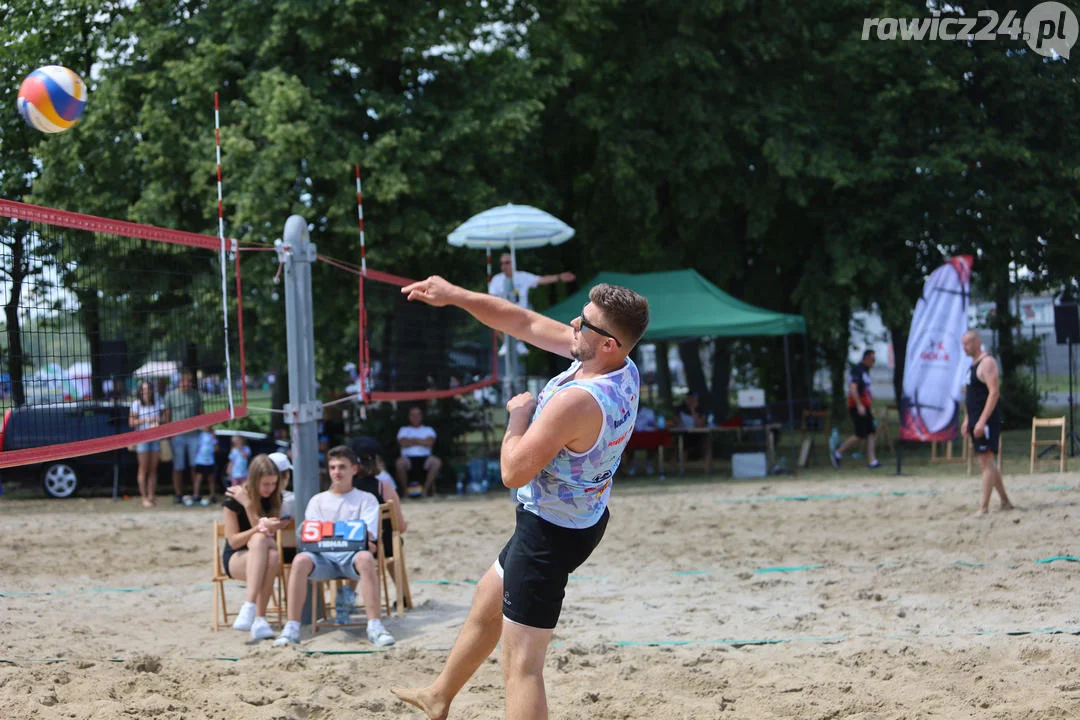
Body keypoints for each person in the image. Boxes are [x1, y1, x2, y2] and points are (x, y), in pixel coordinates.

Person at [391, 275, 649, 720]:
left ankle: (441, 696)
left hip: (549, 535)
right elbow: (525, 323)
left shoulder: (581, 401)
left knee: (522, 668)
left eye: (584, 323)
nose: (573, 324)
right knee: (485, 605)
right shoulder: (621, 365)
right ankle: (439, 696)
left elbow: (512, 472)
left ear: (609, 343)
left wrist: (517, 417)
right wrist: (456, 294)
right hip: (573, 519)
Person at [272, 445, 395, 648]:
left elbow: (368, 537)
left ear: (354, 470)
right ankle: (292, 628)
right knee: (300, 560)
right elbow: (313, 537)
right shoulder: (318, 501)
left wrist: (335, 534)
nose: (337, 472)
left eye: (342, 467)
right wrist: (344, 533)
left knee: (365, 558)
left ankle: (375, 626)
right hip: (324, 558)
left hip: (351, 558)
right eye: (332, 467)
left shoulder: (366, 499)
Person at [221, 454, 288, 642]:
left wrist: (251, 508)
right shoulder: (234, 498)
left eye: (274, 483)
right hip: (236, 557)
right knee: (261, 543)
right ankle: (256, 613)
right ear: (254, 480)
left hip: (264, 553)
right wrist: (251, 512)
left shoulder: (275, 498)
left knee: (268, 550)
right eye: (266, 484)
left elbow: (269, 537)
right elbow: (234, 541)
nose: (270, 488)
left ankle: (254, 613)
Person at [962, 330, 1013, 515]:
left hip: (987, 420)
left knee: (986, 462)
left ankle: (983, 507)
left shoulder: (987, 363)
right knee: (987, 463)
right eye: (963, 344)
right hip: (976, 419)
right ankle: (1005, 501)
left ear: (977, 342)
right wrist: (968, 419)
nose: (964, 348)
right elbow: (972, 396)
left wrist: (982, 421)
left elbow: (994, 393)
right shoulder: (972, 366)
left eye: (967, 344)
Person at [488, 252, 576, 356]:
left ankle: (519, 342)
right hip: (504, 311)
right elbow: (491, 298)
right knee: (490, 318)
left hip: (521, 312)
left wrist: (559, 277)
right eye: (502, 263)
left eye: (507, 262)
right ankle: (507, 343)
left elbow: (541, 280)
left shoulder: (522, 276)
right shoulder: (496, 280)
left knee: (532, 317)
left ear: (513, 263)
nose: (504, 266)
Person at [163, 368, 206, 505]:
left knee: (195, 466)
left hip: (194, 435)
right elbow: (167, 415)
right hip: (178, 436)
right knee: (178, 466)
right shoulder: (170, 396)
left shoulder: (196, 395)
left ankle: (196, 493)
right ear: (179, 381)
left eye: (189, 381)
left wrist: (207, 430)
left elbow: (201, 414)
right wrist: (169, 433)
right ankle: (178, 494)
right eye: (185, 381)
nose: (187, 384)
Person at [831, 350, 881, 469]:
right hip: (857, 406)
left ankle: (872, 460)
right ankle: (838, 453)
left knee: (871, 432)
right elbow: (853, 388)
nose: (873, 362)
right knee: (860, 434)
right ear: (866, 358)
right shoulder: (858, 370)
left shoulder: (865, 371)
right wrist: (859, 405)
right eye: (872, 359)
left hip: (865, 406)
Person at [129, 380, 163, 508]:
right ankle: (144, 497)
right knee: (143, 468)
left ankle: (151, 496)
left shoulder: (157, 402)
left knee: (153, 469)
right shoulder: (136, 404)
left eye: (148, 389)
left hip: (155, 437)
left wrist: (158, 421)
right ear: (140, 391)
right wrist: (146, 420)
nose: (146, 391)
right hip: (142, 438)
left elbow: (162, 418)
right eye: (144, 389)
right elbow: (131, 422)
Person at [395, 406, 442, 498]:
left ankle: (425, 491)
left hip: (425, 458)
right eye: (413, 415)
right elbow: (403, 442)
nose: (415, 417)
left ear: (421, 416)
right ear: (409, 417)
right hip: (408, 458)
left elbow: (430, 442)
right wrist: (421, 441)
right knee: (399, 463)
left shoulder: (428, 430)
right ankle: (405, 492)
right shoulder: (404, 430)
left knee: (436, 462)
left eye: (417, 414)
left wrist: (412, 440)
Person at [193, 426, 218, 496]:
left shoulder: (213, 436)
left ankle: (212, 495)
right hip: (200, 461)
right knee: (198, 478)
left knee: (211, 479)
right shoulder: (199, 435)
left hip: (210, 461)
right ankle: (196, 495)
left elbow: (216, 449)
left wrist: (214, 438)